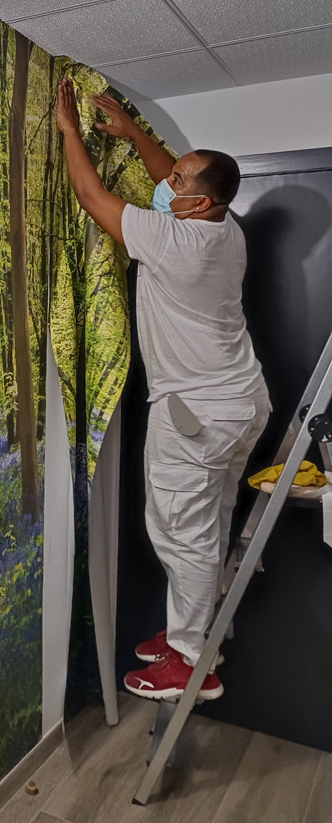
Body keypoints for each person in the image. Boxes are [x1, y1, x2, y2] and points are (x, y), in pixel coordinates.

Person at [56, 77, 270, 701]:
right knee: (214, 521)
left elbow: (93, 196)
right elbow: (168, 181)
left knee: (182, 531)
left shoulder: (178, 242)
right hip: (240, 404)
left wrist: (71, 130)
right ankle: (200, 632)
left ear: (198, 205)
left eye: (178, 183)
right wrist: (132, 132)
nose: (166, 183)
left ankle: (189, 660)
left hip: (199, 417)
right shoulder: (225, 229)